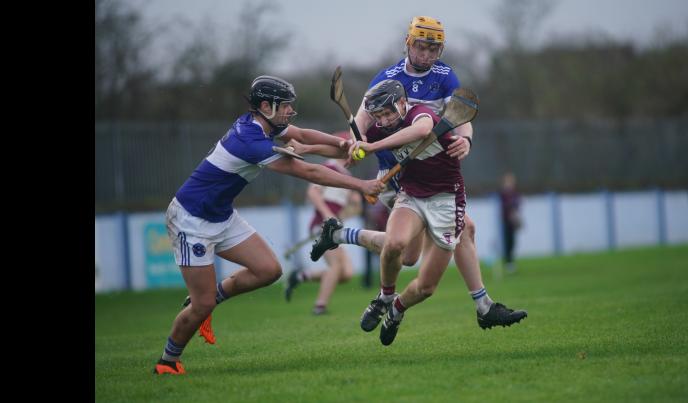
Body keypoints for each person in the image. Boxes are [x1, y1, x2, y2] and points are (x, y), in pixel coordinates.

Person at [153, 75, 385, 375]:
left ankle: (215, 297)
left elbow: (302, 134)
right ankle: (167, 361)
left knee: (268, 270)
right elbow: (309, 171)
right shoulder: (250, 141)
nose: (290, 110)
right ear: (265, 105)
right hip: (191, 219)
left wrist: (341, 143)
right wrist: (361, 184)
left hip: (221, 215)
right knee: (201, 305)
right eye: (285, 105)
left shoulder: (265, 123)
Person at [313, 16, 527, 332]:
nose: (427, 54)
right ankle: (480, 305)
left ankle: (339, 236)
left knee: (417, 250)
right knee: (446, 234)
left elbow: (461, 112)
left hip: (424, 165)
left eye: (433, 49)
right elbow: (362, 122)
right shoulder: (386, 77)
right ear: (408, 43)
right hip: (394, 168)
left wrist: (466, 139)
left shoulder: (444, 76)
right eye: (421, 46)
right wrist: (359, 144)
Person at [283, 157, 362, 315]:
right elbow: (312, 192)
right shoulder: (329, 167)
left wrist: (355, 203)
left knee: (346, 273)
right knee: (336, 266)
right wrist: (327, 215)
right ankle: (320, 306)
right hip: (322, 225)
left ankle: (301, 276)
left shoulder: (346, 176)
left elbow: (351, 209)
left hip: (334, 229)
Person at [499, 172, 522, 272]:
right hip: (505, 221)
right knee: (507, 242)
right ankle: (508, 262)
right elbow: (505, 205)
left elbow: (518, 203)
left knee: (512, 242)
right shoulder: (504, 193)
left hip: (513, 221)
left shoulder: (514, 193)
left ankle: (511, 262)